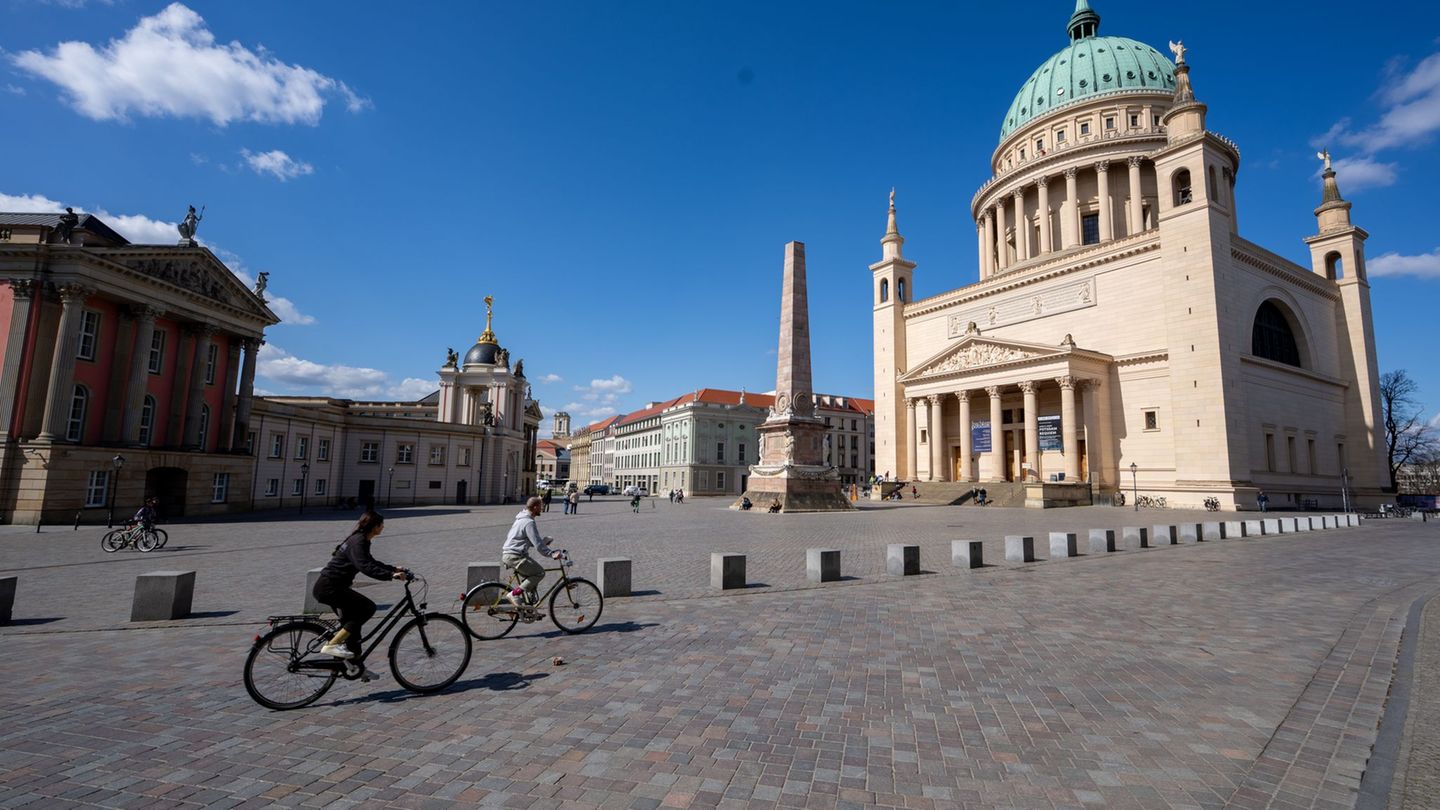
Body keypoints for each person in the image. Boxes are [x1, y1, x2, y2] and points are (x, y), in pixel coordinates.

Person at [314, 511, 407, 659]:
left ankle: (355, 666)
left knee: (353, 628)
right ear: (375, 527)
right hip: (330, 587)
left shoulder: (360, 539)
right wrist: (390, 575)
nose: (383, 527)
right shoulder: (358, 541)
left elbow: (370, 561)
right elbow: (365, 566)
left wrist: (393, 569)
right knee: (367, 608)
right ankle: (332, 644)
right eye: (381, 524)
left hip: (332, 586)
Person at [501, 496, 562, 607]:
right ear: (534, 507)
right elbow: (538, 545)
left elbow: (530, 541)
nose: (542, 508)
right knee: (539, 573)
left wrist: (543, 542)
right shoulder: (528, 522)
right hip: (515, 556)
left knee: (531, 577)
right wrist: (551, 554)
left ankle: (528, 607)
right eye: (540, 506)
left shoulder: (522, 519)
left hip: (511, 554)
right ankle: (514, 594)